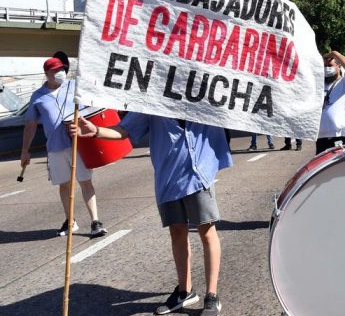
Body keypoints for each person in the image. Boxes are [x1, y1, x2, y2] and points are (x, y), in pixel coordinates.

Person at [69, 114, 230, 315]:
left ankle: (211, 295)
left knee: (206, 231)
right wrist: (96, 131)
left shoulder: (202, 91)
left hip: (199, 174)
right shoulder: (153, 99)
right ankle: (184, 292)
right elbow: (124, 129)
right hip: (168, 177)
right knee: (177, 232)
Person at [21, 57, 107, 238]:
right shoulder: (38, 96)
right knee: (64, 185)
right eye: (55, 70)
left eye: (62, 69)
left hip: (77, 143)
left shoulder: (74, 87)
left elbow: (90, 111)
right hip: (54, 147)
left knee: (85, 181)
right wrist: (25, 150)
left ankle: (95, 222)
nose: (60, 72)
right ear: (47, 74)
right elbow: (30, 125)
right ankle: (70, 220)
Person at [318, 51, 345, 154]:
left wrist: (334, 53)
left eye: (330, 65)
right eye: (325, 66)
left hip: (342, 136)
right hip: (322, 137)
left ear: (339, 66)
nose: (327, 68)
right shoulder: (320, 85)